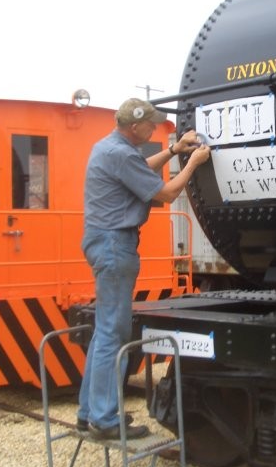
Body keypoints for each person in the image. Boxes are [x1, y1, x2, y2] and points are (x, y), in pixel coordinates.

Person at [77, 97, 211, 440]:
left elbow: (139, 169)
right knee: (113, 333)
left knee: (103, 330)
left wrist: (172, 150)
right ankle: (106, 420)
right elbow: (166, 194)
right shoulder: (120, 153)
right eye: (150, 124)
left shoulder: (108, 148)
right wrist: (192, 162)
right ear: (134, 127)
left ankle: (87, 412)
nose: (155, 128)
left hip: (101, 241)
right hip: (114, 245)